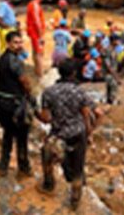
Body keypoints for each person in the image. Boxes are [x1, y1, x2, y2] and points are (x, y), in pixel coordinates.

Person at [38, 59, 99, 210]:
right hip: (78, 134)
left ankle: (48, 183)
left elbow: (46, 119)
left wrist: (36, 113)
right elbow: (90, 113)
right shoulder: (79, 92)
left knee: (47, 157)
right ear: (73, 73)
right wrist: (90, 131)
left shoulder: (49, 92)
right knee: (78, 168)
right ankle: (75, 200)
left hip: (58, 135)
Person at [0, 31, 34, 178]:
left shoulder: (2, 59)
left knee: (8, 135)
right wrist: (30, 95)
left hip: (2, 102)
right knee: (22, 137)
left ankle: (3, 165)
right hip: (15, 104)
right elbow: (24, 81)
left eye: (20, 42)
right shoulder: (14, 61)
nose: (19, 45)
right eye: (16, 43)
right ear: (9, 43)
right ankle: (23, 167)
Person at [26, 0, 47, 77]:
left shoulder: (31, 4)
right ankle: (40, 74)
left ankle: (37, 71)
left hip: (33, 32)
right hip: (36, 33)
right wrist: (41, 35)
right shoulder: (35, 5)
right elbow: (37, 20)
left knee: (36, 52)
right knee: (39, 54)